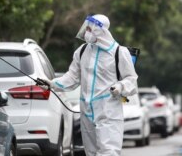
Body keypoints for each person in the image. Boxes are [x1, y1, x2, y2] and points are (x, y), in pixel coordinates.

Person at [38, 14, 138, 156]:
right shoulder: (82, 51)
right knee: (91, 152)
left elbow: (131, 78)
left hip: (108, 111)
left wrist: (120, 87)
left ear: (100, 31)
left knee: (108, 151)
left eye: (90, 29)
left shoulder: (119, 52)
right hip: (87, 111)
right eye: (87, 29)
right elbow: (72, 77)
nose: (87, 32)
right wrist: (52, 84)